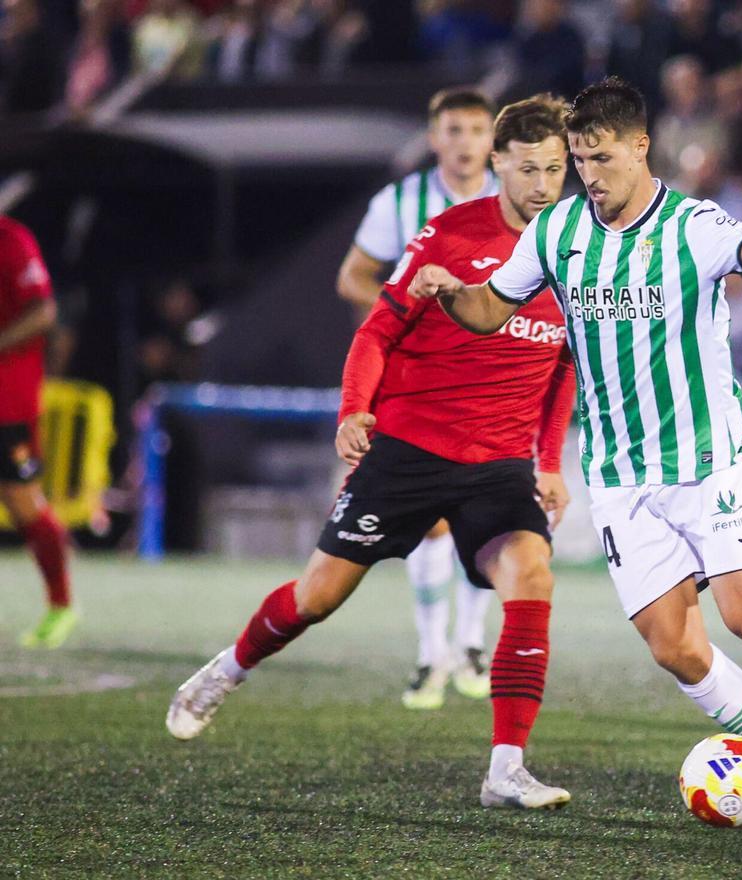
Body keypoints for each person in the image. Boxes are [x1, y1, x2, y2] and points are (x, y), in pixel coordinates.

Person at [409, 77, 742, 826]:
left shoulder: (691, 226)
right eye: (579, 159)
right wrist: (451, 290)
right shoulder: (556, 234)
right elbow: (491, 308)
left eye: (602, 157)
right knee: (675, 648)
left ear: (642, 147)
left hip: (707, 463)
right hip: (619, 478)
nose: (590, 176)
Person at [167, 95, 577, 810]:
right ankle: (226, 670)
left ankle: (505, 768)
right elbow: (375, 333)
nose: (543, 185)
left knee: (532, 578)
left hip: (500, 465)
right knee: (316, 597)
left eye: (556, 169)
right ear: (499, 165)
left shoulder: (579, 250)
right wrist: (355, 407)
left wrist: (548, 462)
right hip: (410, 449)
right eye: (529, 168)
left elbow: (563, 366)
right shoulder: (446, 234)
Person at [335, 87, 500, 711]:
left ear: (494, 140)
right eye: (452, 130)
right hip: (419, 382)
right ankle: (433, 653)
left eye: (476, 130)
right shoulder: (400, 201)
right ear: (435, 138)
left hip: (491, 378)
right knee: (431, 522)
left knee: (486, 510)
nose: (464, 143)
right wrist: (400, 312)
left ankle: (470, 641)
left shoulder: (512, 199)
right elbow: (351, 275)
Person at [0, 216, 77, 649]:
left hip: (7, 399)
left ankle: (61, 605)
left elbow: (44, 312)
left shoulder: (11, 240)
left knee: (22, 502)